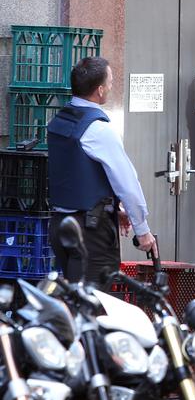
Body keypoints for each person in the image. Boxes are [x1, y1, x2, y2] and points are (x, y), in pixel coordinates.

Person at [47, 56, 156, 287]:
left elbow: (77, 175)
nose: (111, 87)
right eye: (111, 82)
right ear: (99, 90)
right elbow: (127, 183)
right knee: (94, 307)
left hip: (60, 225)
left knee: (75, 305)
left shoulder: (60, 121)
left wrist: (114, 208)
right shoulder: (99, 129)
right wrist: (143, 230)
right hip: (91, 233)